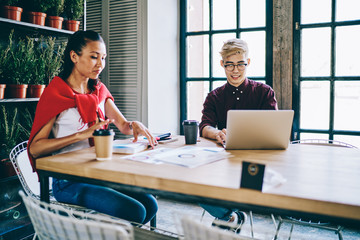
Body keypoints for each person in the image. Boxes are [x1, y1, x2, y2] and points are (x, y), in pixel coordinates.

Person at [27, 30, 158, 224]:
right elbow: (35, 148)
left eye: (103, 58)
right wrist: (81, 135)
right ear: (74, 56)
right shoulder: (56, 93)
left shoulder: (98, 90)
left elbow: (123, 126)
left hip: (98, 172)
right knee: (134, 211)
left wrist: (135, 125)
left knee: (150, 205)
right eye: (94, 57)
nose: (100, 64)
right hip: (68, 180)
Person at [199, 38, 278, 232]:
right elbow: (204, 126)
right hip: (223, 162)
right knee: (193, 186)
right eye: (230, 65)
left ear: (248, 63)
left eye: (240, 64)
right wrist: (217, 132)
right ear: (222, 65)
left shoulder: (264, 92)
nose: (235, 70)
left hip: (256, 165)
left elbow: (274, 128)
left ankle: (227, 217)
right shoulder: (214, 96)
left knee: (238, 189)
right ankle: (231, 217)